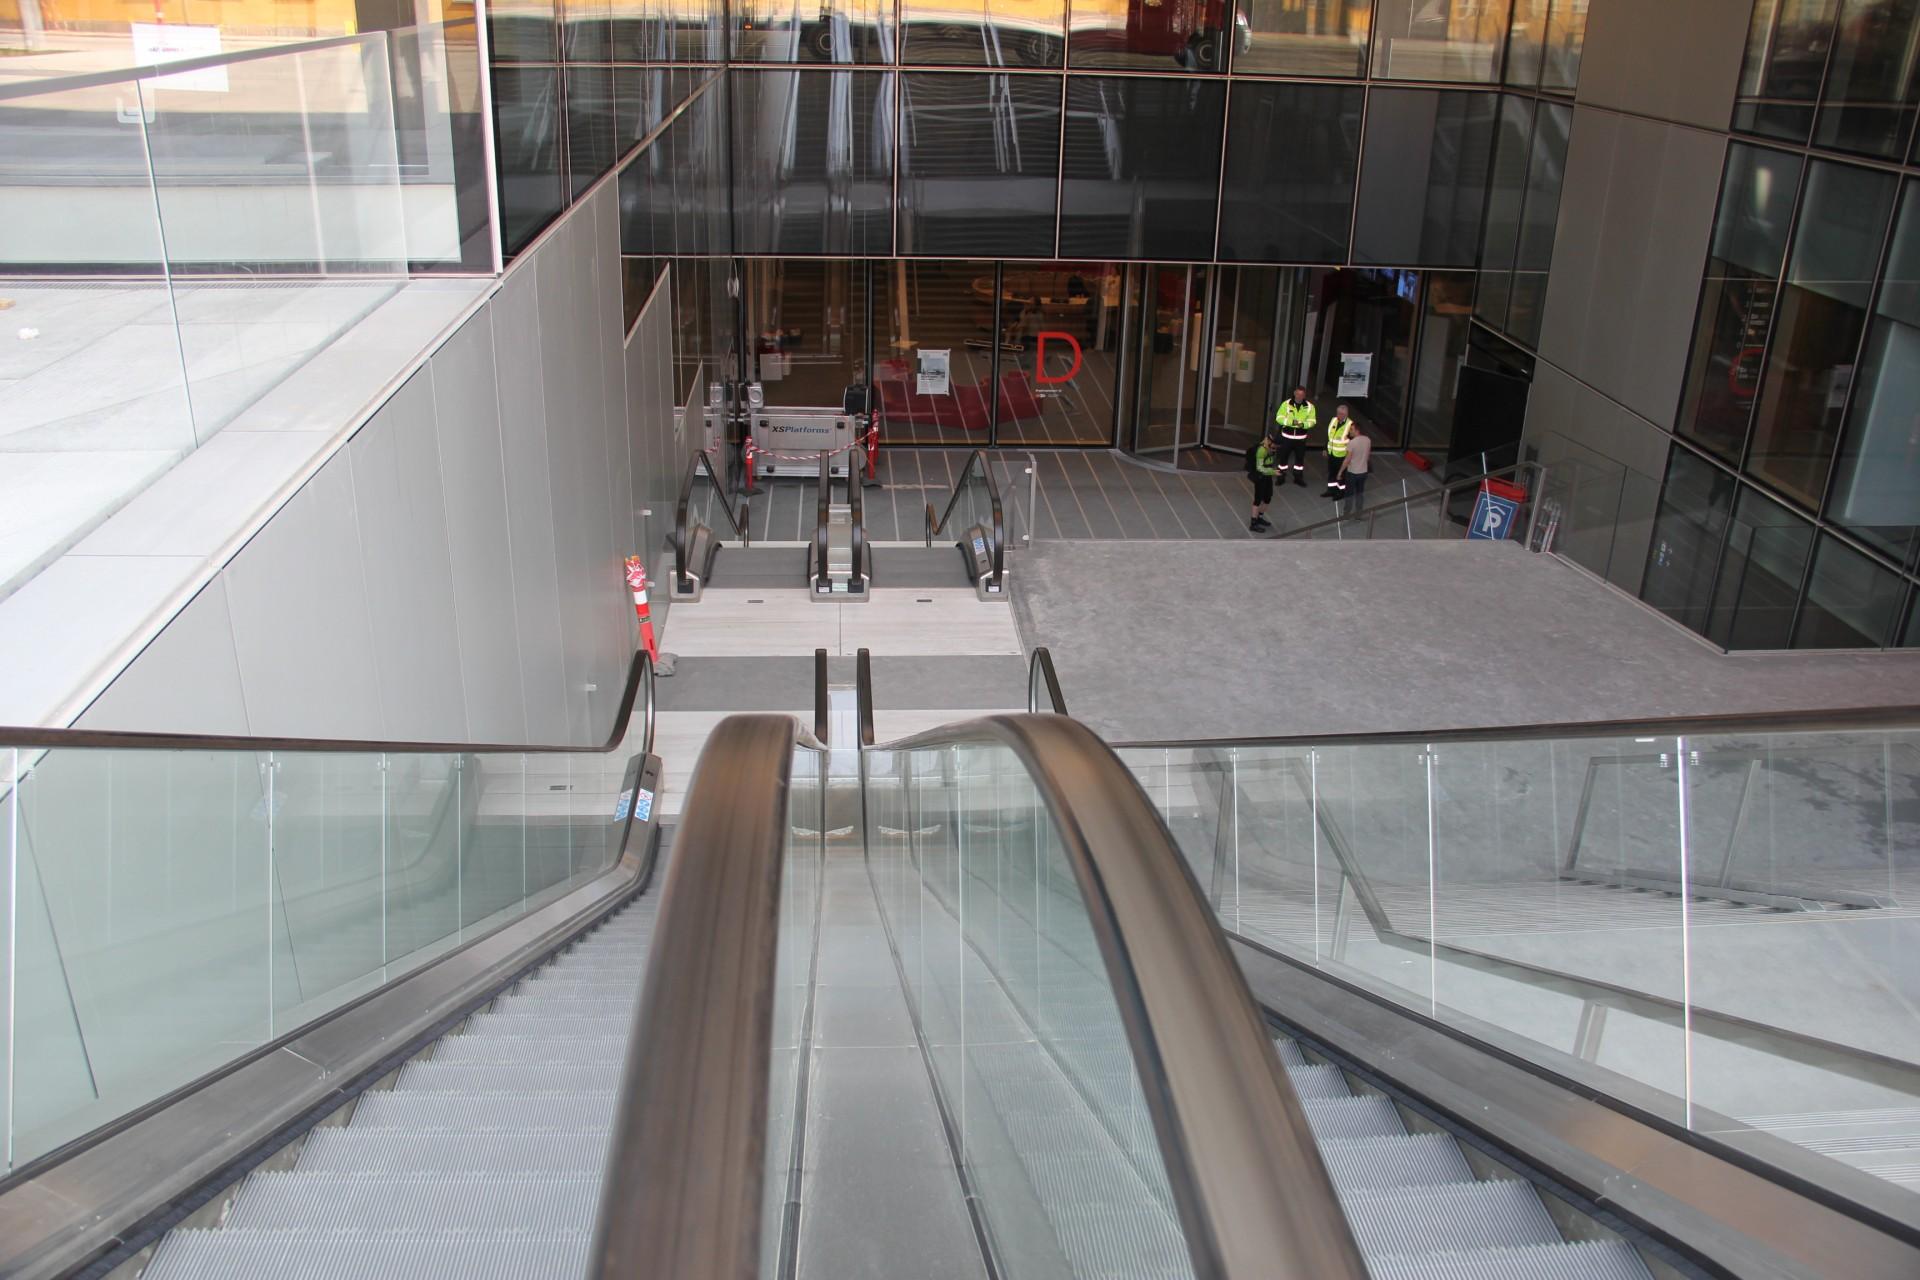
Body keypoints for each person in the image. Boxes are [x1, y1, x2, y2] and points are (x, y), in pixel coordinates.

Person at [1273, 386, 1315, 485]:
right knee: (1283, 458)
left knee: (1299, 460)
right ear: (1294, 393)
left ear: (1304, 395)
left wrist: (1303, 425)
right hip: (1287, 437)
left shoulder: (1310, 407)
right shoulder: (1286, 404)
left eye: (1302, 394)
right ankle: (1281, 477)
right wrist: (1292, 422)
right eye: (1298, 394)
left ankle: (1298, 477)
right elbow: (1279, 418)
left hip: (1301, 439)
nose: (1299, 396)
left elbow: (1312, 421)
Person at [1245, 430, 1282, 532]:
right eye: (1276, 445)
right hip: (1260, 476)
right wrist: (1273, 472)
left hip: (1267, 475)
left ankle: (1259, 517)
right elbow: (1259, 468)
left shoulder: (1272, 448)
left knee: (1267, 498)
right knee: (1257, 499)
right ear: (1270, 442)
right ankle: (1253, 523)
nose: (1277, 447)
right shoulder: (1262, 450)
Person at [1337, 417, 1372, 513]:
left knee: (1349, 494)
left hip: (1352, 472)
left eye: (1351, 429)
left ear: (1357, 430)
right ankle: (1358, 513)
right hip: (1363, 472)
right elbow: (1368, 456)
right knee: (1360, 493)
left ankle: (1347, 513)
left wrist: (1340, 472)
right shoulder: (1368, 440)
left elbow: (1347, 460)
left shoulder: (1352, 443)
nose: (1349, 431)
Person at [1324, 403, 1356, 495]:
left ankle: (1341, 492)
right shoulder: (1333, 420)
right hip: (1331, 453)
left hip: (1342, 455)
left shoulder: (1350, 424)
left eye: (1340, 414)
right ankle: (1331, 490)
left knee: (1341, 474)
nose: (1338, 415)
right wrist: (1325, 448)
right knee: (1331, 472)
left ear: (1346, 415)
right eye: (1337, 413)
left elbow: (1353, 441)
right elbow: (1328, 435)